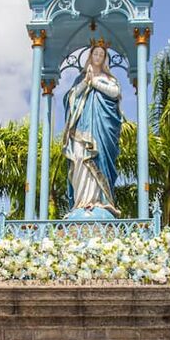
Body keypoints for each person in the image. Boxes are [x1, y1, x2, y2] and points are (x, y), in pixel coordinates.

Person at [62, 43, 122, 218]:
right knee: (80, 156)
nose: (97, 57)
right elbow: (70, 98)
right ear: (90, 56)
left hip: (102, 128)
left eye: (101, 55)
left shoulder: (109, 78)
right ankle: (80, 202)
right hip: (82, 128)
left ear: (104, 59)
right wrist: (85, 82)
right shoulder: (81, 78)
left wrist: (94, 82)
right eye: (95, 53)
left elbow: (115, 92)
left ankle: (101, 201)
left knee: (100, 157)